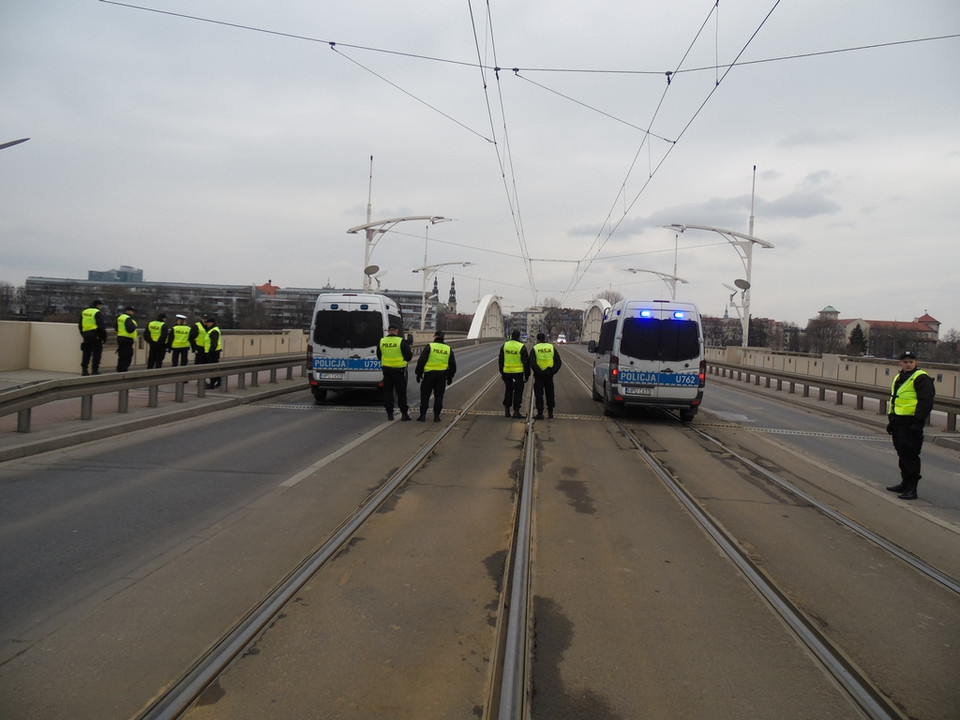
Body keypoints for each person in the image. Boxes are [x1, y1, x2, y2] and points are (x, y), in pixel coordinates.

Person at [885, 350, 935, 500]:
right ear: (900, 363)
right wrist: (891, 420)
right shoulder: (899, 377)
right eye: (905, 362)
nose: (908, 364)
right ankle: (904, 482)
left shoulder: (921, 378)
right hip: (899, 422)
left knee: (911, 455)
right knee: (902, 454)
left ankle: (912, 488)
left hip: (911, 422)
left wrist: (918, 423)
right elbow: (895, 399)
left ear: (916, 362)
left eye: (911, 362)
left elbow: (926, 402)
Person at [415, 330, 456, 422]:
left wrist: (418, 373)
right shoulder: (448, 349)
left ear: (435, 337)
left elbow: (421, 361)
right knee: (439, 396)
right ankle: (436, 417)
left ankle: (422, 415)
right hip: (442, 376)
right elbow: (452, 365)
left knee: (425, 395)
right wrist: (450, 377)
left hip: (429, 375)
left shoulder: (430, 346)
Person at [377, 323, 413, 421]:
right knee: (401, 393)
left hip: (387, 370)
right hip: (398, 371)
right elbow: (408, 357)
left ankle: (390, 414)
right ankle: (404, 414)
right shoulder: (400, 341)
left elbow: (379, 356)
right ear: (396, 331)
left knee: (388, 393)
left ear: (388, 331)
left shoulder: (382, 341)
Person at [499, 329, 530, 418]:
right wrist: (527, 374)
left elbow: (501, 360)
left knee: (508, 390)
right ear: (519, 336)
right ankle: (516, 411)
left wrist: (501, 371)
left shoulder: (505, 346)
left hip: (507, 372)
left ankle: (507, 410)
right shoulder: (521, 347)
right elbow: (526, 362)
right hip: (518, 373)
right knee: (518, 392)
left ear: (511, 336)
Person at [531, 332, 563, 420]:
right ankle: (550, 412)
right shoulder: (551, 347)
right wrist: (552, 371)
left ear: (537, 339)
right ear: (544, 338)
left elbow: (532, 363)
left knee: (539, 394)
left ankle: (540, 413)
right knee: (550, 393)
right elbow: (558, 361)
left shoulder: (535, 348)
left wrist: (539, 371)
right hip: (549, 375)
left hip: (539, 375)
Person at [78, 298, 107, 376]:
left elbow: (80, 325)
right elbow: (101, 326)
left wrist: (83, 334)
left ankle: (84, 370)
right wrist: (103, 337)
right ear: (98, 305)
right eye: (100, 305)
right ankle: (94, 370)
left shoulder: (84, 312)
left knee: (86, 353)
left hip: (86, 335)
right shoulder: (97, 312)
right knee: (96, 353)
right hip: (95, 335)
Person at [115, 306, 138, 372]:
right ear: (128, 311)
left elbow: (116, 328)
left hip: (120, 337)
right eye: (132, 311)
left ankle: (119, 368)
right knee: (128, 354)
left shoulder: (120, 317)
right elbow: (130, 329)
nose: (133, 313)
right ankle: (124, 368)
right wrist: (134, 326)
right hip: (127, 338)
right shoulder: (128, 318)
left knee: (121, 354)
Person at [203, 316, 222, 389]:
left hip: (213, 352)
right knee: (215, 368)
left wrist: (210, 352)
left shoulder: (213, 331)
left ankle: (212, 383)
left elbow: (213, 343)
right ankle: (219, 381)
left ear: (211, 323)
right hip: (214, 352)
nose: (206, 324)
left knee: (212, 368)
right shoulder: (212, 330)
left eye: (208, 323)